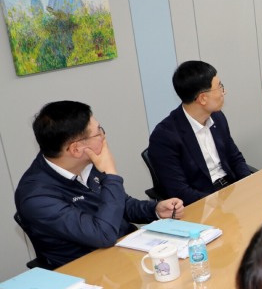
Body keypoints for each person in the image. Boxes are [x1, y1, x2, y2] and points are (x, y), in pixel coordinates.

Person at [15, 101, 184, 268]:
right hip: (89, 271)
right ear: (76, 149)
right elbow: (102, 235)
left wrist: (155, 210)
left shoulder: (84, 163)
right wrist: (110, 173)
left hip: (126, 253)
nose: (103, 137)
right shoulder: (36, 197)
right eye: (98, 133)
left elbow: (120, 204)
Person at [149, 60, 252, 205]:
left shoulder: (217, 117)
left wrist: (250, 183)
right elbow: (179, 191)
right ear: (203, 98)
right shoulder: (164, 137)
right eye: (220, 87)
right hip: (202, 202)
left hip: (230, 190)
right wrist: (217, 203)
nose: (224, 92)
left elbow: (235, 158)